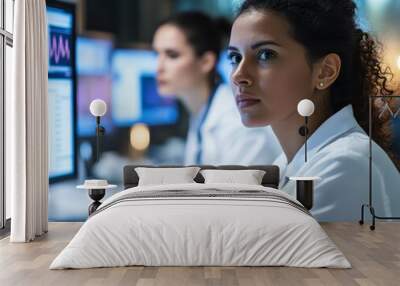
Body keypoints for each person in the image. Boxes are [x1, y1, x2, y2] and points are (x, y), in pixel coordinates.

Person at [228, 0, 400, 221]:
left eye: (266, 55)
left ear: (325, 72)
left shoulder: (343, 167)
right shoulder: (288, 163)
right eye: (235, 57)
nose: (238, 75)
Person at [152, 11, 282, 165]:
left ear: (206, 62)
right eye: (156, 54)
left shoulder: (237, 125)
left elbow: (245, 189)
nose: (158, 67)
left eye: (172, 55)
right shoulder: (202, 114)